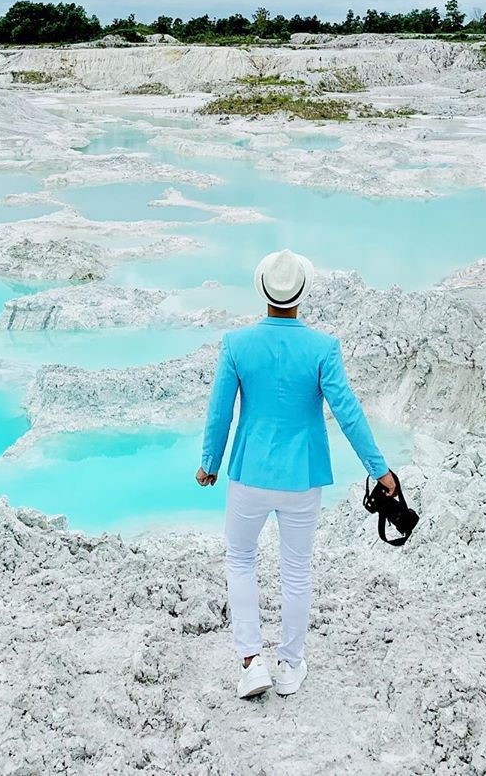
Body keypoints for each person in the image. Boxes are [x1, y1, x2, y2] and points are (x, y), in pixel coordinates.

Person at [195, 247, 396, 700]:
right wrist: (379, 470)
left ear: (262, 291)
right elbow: (348, 413)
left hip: (249, 473)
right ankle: (289, 664)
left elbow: (219, 413)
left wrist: (209, 464)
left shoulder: (236, 344)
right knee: (297, 570)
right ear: (302, 293)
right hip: (302, 478)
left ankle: (251, 663)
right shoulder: (323, 347)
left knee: (241, 560)